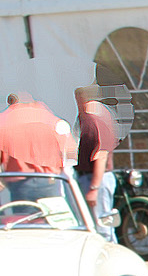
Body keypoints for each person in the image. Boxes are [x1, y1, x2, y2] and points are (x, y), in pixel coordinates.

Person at [0, 93, 70, 201]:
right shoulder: (48, 118)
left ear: (11, 103)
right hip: (50, 178)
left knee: (27, 217)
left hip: (21, 182)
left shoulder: (3, 122)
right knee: (53, 215)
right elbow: (67, 150)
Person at [72, 86, 118, 230]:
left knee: (102, 227)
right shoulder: (89, 119)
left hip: (96, 179)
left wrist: (94, 188)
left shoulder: (95, 120)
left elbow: (101, 155)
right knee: (95, 225)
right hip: (89, 177)